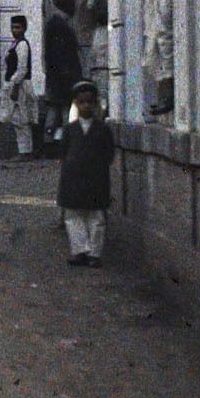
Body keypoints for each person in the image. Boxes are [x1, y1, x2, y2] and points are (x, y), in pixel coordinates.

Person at [57, 79, 116, 265]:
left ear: (95, 103)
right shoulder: (69, 130)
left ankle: (94, 253)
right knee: (73, 216)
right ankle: (79, 250)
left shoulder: (102, 129)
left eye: (89, 102)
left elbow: (109, 153)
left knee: (96, 217)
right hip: (72, 178)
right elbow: (63, 153)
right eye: (81, 102)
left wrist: (99, 168)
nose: (86, 106)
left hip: (96, 178)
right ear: (75, 103)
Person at [42, 0, 83, 153]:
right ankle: (64, 144)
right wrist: (69, 75)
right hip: (63, 78)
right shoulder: (60, 26)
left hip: (55, 77)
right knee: (66, 112)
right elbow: (61, 55)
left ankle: (49, 143)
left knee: (54, 112)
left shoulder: (54, 24)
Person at [0, 13, 36, 157]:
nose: (15, 30)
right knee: (15, 119)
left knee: (21, 119)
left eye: (18, 27)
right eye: (13, 27)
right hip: (13, 84)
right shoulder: (13, 44)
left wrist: (14, 86)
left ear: (24, 28)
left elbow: (22, 68)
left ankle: (26, 152)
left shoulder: (22, 45)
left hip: (19, 85)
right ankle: (23, 150)